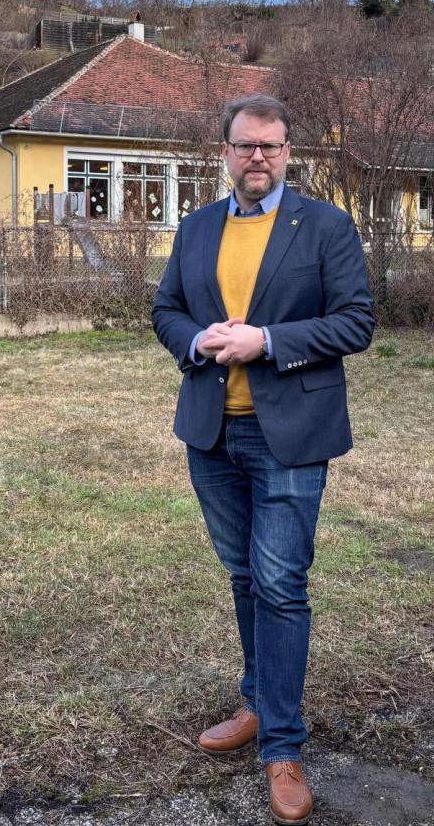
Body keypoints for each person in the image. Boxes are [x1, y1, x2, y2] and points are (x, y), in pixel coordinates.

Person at [151, 94, 374, 825]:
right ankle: (256, 702)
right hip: (212, 434)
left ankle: (281, 747)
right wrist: (197, 339)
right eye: (246, 146)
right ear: (224, 151)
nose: (258, 158)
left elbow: (355, 321)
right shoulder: (197, 227)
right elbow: (165, 310)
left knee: (281, 584)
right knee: (245, 573)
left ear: (287, 152)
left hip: (291, 433)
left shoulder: (327, 226)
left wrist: (268, 342)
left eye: (271, 147)